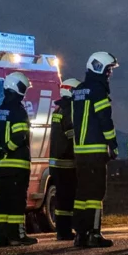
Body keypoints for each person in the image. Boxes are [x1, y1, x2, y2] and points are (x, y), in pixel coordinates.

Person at [71, 52, 120, 248]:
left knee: (82, 193)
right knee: (96, 193)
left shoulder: (78, 91)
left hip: (80, 151)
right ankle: (94, 233)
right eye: (108, 70)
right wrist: (113, 144)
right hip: (96, 151)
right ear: (99, 68)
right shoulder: (98, 91)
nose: (109, 74)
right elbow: (104, 120)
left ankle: (80, 234)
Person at [0, 71, 38, 248]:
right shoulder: (19, 111)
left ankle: (1, 237)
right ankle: (17, 236)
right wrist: (6, 148)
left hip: (2, 167)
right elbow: (20, 136)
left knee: (3, 201)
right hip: (18, 166)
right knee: (17, 202)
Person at [48, 78, 80, 241]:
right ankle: (66, 230)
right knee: (68, 198)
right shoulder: (69, 109)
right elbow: (71, 135)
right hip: (67, 163)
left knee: (61, 198)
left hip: (56, 163)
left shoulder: (58, 110)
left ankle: (62, 230)